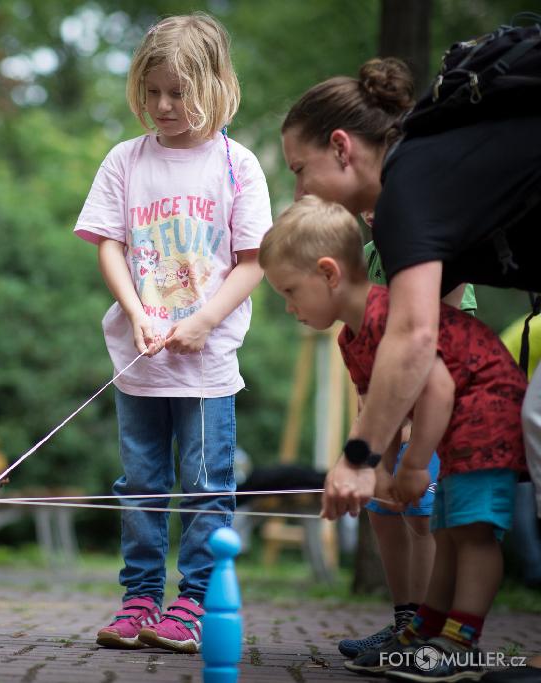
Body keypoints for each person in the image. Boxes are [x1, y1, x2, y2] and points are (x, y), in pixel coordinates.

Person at [281, 56, 541, 679]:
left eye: (299, 169)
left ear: (342, 148)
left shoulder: (410, 187)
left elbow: (419, 335)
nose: (297, 190)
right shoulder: (410, 188)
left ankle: (458, 644)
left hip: (483, 398)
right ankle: (431, 630)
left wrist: (359, 457)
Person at [261, 196, 527, 680]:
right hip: (452, 422)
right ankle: (425, 630)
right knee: (447, 530)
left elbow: (439, 387)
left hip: (485, 408)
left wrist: (411, 464)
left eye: (290, 291)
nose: (289, 306)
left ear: (328, 273)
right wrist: (376, 468)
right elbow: (376, 405)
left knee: (472, 531)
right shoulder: (351, 337)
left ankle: (460, 643)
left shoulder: (388, 318)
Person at [74, 13, 271, 654]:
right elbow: (108, 244)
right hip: (140, 364)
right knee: (141, 485)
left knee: (208, 483)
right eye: (152, 91)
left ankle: (194, 602)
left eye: (177, 93)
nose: (162, 105)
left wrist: (205, 320)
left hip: (208, 367)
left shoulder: (238, 166)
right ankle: (137, 599)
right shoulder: (125, 160)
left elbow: (255, 260)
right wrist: (135, 310)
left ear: (214, 85)